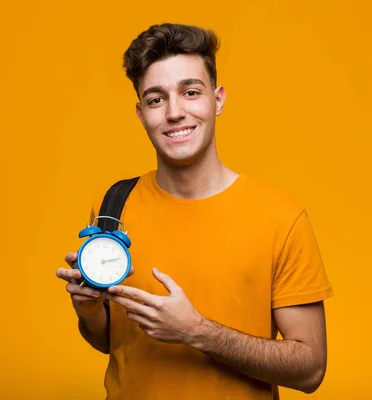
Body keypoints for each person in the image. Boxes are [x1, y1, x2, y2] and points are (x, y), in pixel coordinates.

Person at [56, 22, 334, 400]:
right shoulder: (112, 206)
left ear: (217, 100)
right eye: (156, 99)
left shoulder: (280, 217)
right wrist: (87, 309)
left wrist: (197, 331)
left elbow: (310, 369)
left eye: (190, 92)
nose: (174, 112)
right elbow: (111, 342)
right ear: (141, 114)